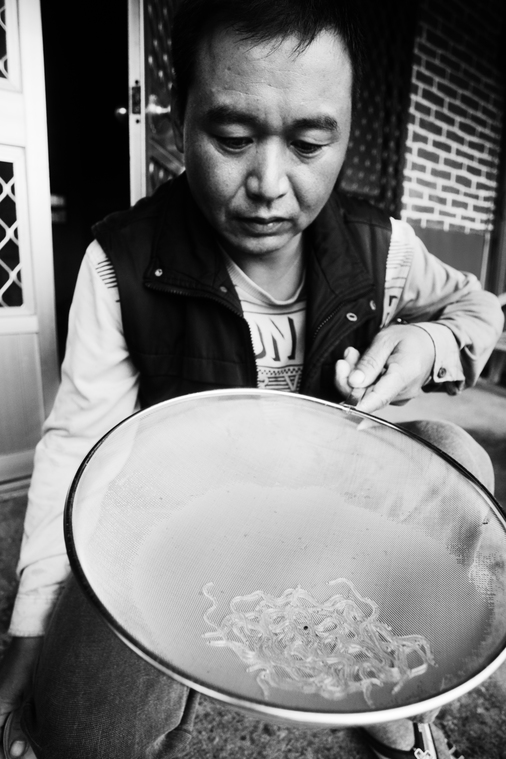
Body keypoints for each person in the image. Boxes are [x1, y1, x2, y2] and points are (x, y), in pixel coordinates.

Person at [0, 0, 503, 757]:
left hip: (328, 520)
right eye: (233, 139)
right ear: (178, 123)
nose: (269, 183)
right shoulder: (119, 264)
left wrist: (427, 342)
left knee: (454, 457)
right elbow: (76, 447)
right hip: (185, 531)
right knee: (86, 730)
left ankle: (384, 691)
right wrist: (30, 629)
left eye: (309, 143)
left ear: (346, 131)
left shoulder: (384, 248)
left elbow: (478, 308)